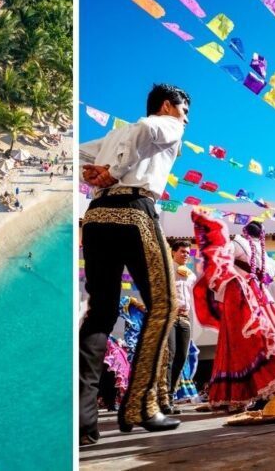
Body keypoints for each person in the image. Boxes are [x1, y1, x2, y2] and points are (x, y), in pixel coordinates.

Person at [78, 83, 191, 444]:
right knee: (166, 305)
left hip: (96, 218)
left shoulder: (114, 134)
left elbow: (78, 152)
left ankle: (84, 423)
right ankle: (140, 405)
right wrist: (114, 171)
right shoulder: (166, 124)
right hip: (134, 214)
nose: (186, 119)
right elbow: (146, 130)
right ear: (168, 106)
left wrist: (93, 174)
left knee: (100, 314)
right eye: (184, 110)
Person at [191, 214, 275, 410]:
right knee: (268, 341)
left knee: (244, 345)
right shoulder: (263, 253)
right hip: (263, 298)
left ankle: (256, 392)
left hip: (243, 299)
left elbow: (220, 262)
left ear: (245, 230)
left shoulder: (238, 244)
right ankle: (268, 391)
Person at [163, 240, 195, 415]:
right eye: (182, 251)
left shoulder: (190, 275)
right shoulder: (166, 270)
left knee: (182, 357)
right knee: (170, 355)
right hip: (170, 317)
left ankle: (171, 396)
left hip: (185, 318)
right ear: (173, 252)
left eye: (188, 252)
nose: (186, 255)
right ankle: (165, 398)